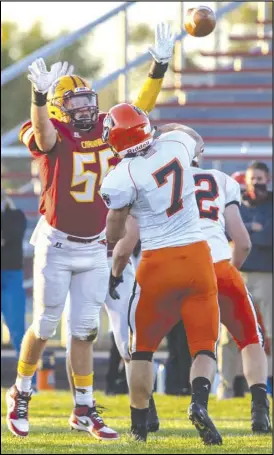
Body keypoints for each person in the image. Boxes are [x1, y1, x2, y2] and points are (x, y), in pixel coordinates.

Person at [6, 22, 176, 439]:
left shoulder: (106, 128)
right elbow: (43, 133)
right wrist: (39, 98)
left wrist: (158, 67)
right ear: (62, 108)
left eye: (87, 100)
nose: (84, 108)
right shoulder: (53, 127)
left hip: (96, 246)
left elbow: (140, 110)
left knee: (84, 330)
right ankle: (20, 392)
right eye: (75, 102)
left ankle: (83, 409)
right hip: (57, 244)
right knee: (45, 325)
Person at [101, 105, 222, 445]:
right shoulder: (175, 144)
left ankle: (139, 427)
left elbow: (115, 225)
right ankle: (198, 403)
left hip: (156, 260)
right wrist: (165, 127)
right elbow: (196, 140)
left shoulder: (121, 174)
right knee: (204, 347)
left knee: (142, 350)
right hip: (197, 256)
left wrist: (111, 245)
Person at [190, 157, 271, 433]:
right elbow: (244, 241)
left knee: (202, 342)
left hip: (178, 269)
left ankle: (148, 415)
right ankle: (258, 408)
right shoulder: (222, 183)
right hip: (223, 267)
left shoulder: (158, 182)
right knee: (250, 337)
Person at [240, 161, 273, 396]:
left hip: (267, 275)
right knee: (230, 335)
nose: (256, 183)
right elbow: (229, 233)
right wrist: (255, 230)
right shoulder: (236, 202)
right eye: (253, 179)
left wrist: (247, 232)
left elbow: (268, 237)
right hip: (238, 274)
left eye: (260, 179)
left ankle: (267, 383)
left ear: (267, 180)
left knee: (269, 331)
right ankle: (228, 387)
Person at [1, 191, 27, 358]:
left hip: (11, 275)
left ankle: (28, 381)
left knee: (18, 330)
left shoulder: (17, 216)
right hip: (11, 274)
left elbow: (11, 234)